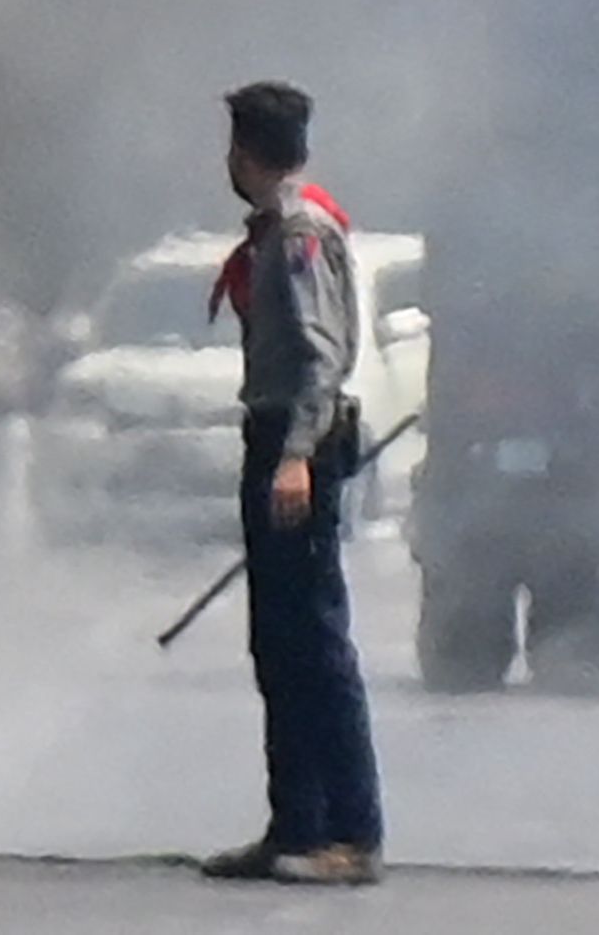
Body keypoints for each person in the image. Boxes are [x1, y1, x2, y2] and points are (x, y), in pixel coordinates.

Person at [201, 81, 385, 887]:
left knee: (314, 640)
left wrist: (295, 456)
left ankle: (350, 831)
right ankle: (295, 824)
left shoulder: (300, 233)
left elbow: (320, 356)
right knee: (278, 640)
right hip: (278, 435)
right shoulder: (280, 227)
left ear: (245, 152)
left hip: (295, 438)